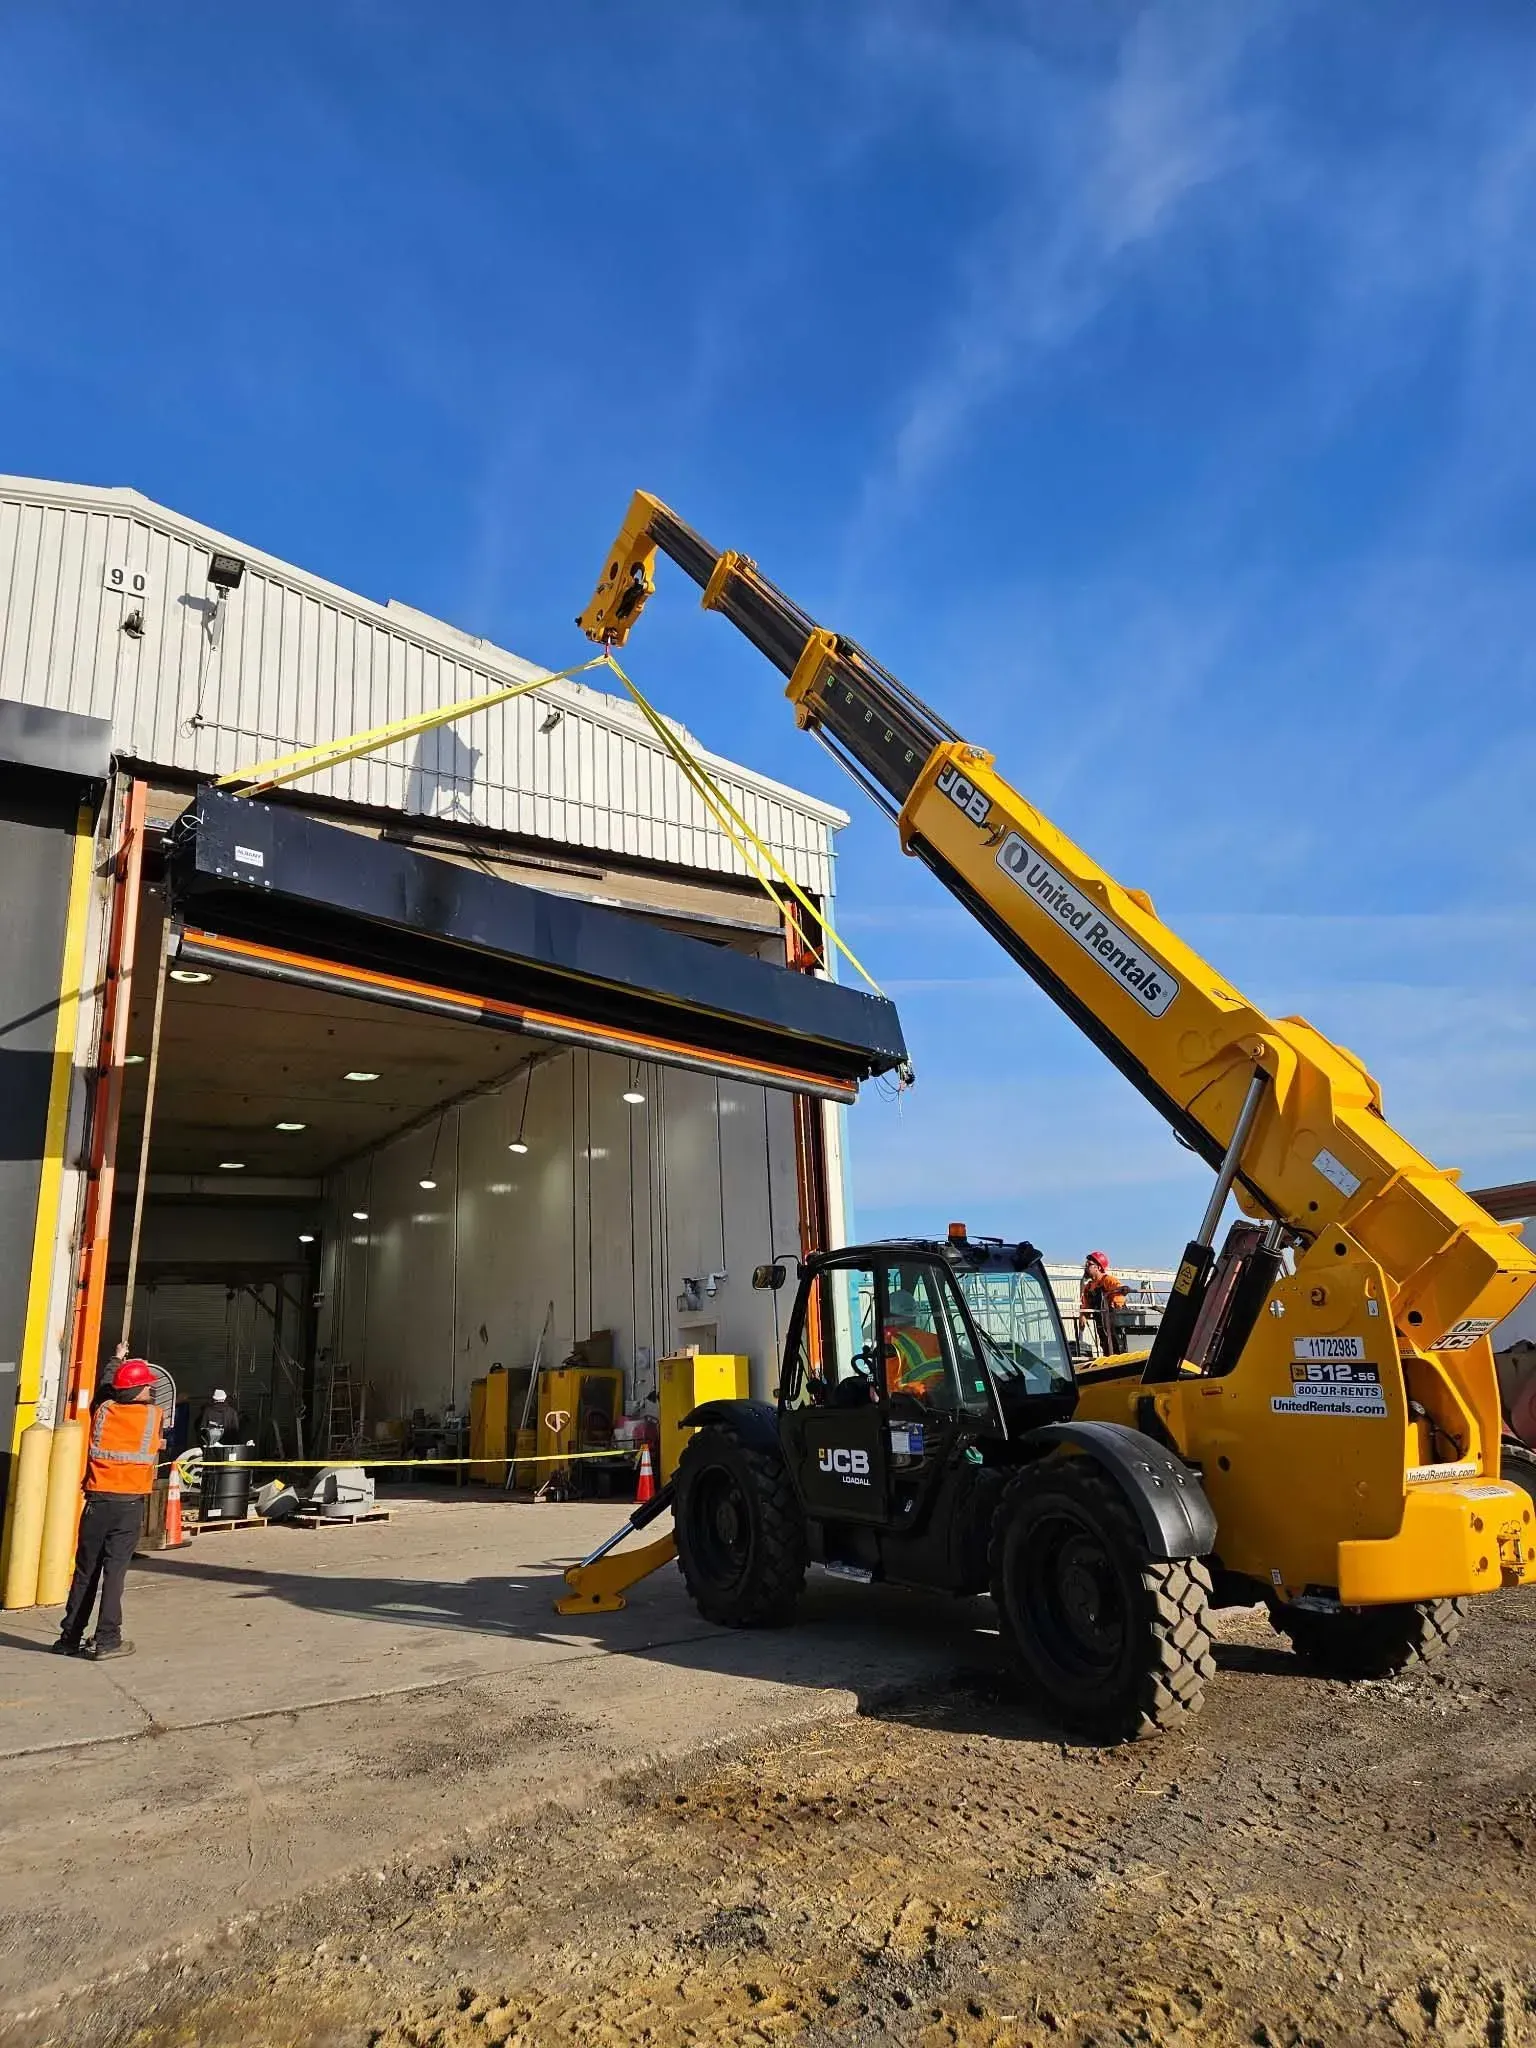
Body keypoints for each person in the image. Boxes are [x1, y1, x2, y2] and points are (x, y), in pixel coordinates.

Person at [53, 1358, 163, 1661]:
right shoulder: (154, 1416)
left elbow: (104, 1390)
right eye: (148, 1387)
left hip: (97, 1503)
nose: (151, 1390)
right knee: (114, 1574)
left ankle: (69, 1638)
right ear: (139, 1390)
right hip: (127, 1506)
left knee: (85, 1572)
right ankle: (107, 1639)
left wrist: (116, 1359)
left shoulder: (103, 1411)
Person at [1080, 1251, 1128, 1356]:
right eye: (1086, 1264)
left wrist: (1116, 1303)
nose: (1086, 1267)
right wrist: (1083, 1315)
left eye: (1089, 1264)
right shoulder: (1088, 1287)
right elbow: (1086, 1304)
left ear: (1098, 1267)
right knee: (1106, 1346)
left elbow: (1119, 1291)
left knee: (1118, 1347)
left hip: (1114, 1323)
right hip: (1101, 1323)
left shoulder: (1108, 1280)